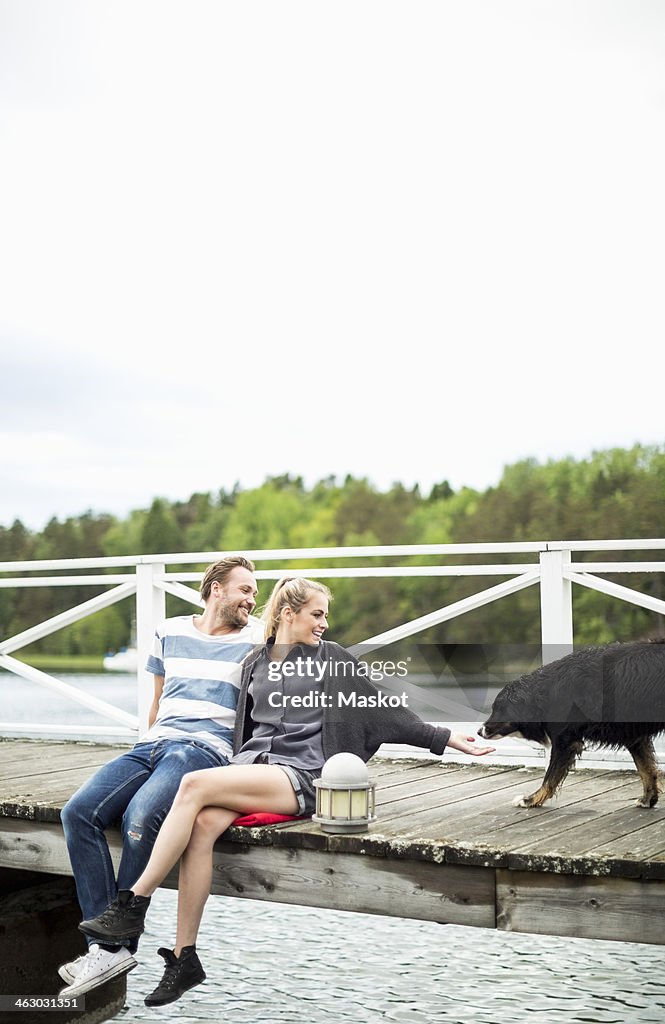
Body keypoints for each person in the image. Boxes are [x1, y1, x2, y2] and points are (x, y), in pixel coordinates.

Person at [77, 577, 496, 1006]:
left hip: (302, 775)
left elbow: (389, 712)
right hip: (253, 769)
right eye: (317, 614)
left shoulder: (333, 660)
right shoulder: (255, 662)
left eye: (326, 615)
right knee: (201, 826)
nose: (324, 624)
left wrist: (448, 739)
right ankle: (185, 957)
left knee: (194, 784)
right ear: (287, 614)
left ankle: (132, 905)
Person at [58, 555, 263, 998]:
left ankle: (113, 945)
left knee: (141, 815)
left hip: (203, 750)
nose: (252, 598)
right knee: (78, 813)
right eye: (245, 589)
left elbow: (303, 644)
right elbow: (157, 701)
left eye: (256, 592)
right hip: (153, 745)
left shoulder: (258, 637)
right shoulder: (168, 630)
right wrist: (147, 743)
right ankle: (106, 949)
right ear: (216, 589)